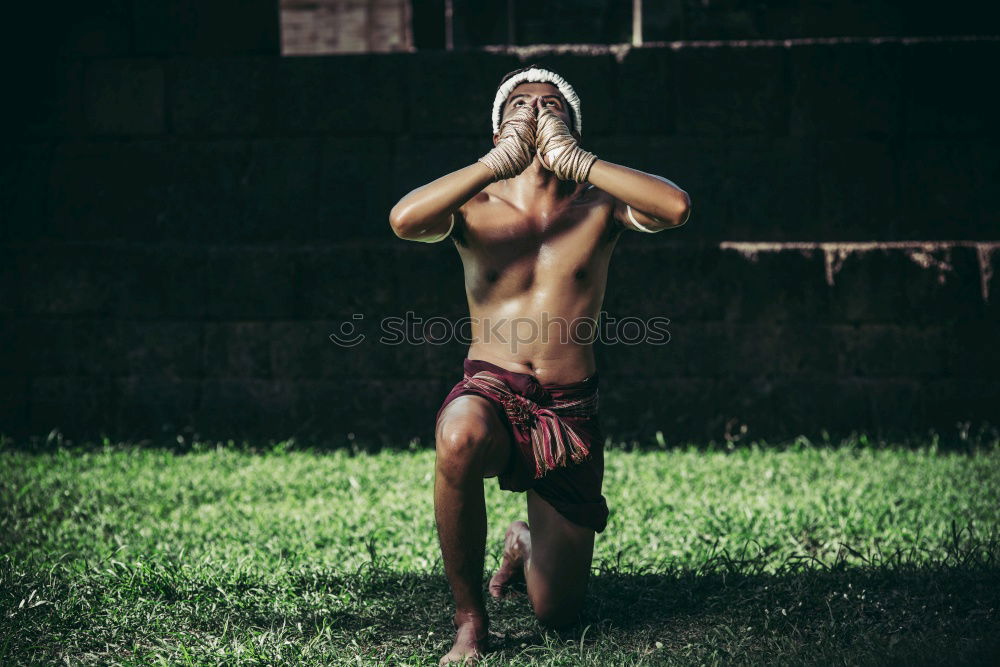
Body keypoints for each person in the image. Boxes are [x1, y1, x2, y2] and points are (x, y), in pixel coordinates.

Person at [389, 64, 691, 665]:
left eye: (550, 104)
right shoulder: (474, 204)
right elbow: (404, 220)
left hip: (569, 411)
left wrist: (576, 160)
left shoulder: (600, 204)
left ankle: (524, 544)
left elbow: (676, 207)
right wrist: (494, 163)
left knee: (558, 613)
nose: (534, 111)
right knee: (458, 435)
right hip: (493, 392)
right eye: (519, 105)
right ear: (500, 126)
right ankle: (470, 622)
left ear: (570, 127)